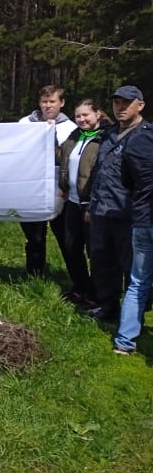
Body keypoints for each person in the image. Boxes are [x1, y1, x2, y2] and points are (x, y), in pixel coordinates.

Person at [86, 86, 148, 323]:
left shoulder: (144, 136)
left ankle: (135, 315)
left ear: (139, 105)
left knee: (132, 267)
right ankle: (108, 307)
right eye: (117, 103)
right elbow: (99, 173)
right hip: (102, 211)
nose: (120, 108)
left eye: (126, 103)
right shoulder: (109, 134)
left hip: (129, 214)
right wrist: (91, 206)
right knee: (101, 262)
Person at [17, 85, 77, 276]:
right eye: (44, 101)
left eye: (52, 101)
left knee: (65, 238)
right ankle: (34, 276)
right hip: (31, 190)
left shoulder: (72, 128)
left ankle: (76, 279)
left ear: (62, 103)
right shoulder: (24, 123)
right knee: (34, 237)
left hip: (61, 192)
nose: (48, 105)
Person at [57, 99, 108, 306]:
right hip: (72, 202)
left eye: (86, 115)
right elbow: (59, 156)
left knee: (94, 251)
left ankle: (97, 293)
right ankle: (80, 286)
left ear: (97, 114)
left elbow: (102, 174)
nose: (82, 119)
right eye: (78, 116)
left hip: (91, 205)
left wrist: (91, 204)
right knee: (71, 246)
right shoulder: (75, 136)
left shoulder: (105, 138)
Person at [112, 111, 153, 354]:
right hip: (144, 217)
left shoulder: (135, 140)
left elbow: (125, 180)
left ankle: (124, 342)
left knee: (138, 283)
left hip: (142, 218)